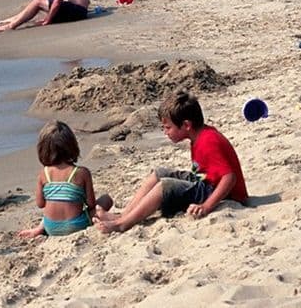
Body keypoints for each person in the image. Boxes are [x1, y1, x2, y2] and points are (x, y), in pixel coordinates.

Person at [94, 91, 247, 233]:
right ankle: (124, 215)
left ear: (186, 125)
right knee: (159, 173)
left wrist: (206, 206)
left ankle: (123, 224)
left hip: (222, 193)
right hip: (205, 181)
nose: (165, 132)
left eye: (168, 127)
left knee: (166, 186)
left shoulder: (208, 141)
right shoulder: (200, 135)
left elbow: (229, 178)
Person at [19, 121, 112, 238]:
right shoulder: (82, 173)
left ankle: (39, 228)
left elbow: (40, 204)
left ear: (43, 149)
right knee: (106, 199)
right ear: (72, 146)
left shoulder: (44, 174)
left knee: (52, 209)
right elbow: (91, 203)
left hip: (50, 227)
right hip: (76, 225)